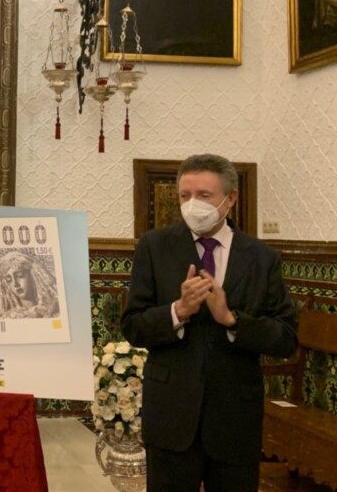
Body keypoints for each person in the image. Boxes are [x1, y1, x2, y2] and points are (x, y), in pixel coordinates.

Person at [122, 154, 298, 491]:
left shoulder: (262, 258)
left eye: (204, 196)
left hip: (234, 422)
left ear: (230, 198)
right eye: (185, 196)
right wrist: (178, 310)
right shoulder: (154, 247)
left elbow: (286, 338)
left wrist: (231, 319)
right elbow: (133, 325)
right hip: (172, 418)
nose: (192, 205)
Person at [0, 251, 60, 319]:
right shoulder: (8, 319)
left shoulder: (55, 310)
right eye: (9, 280)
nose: (15, 284)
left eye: (20, 276)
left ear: (33, 276)